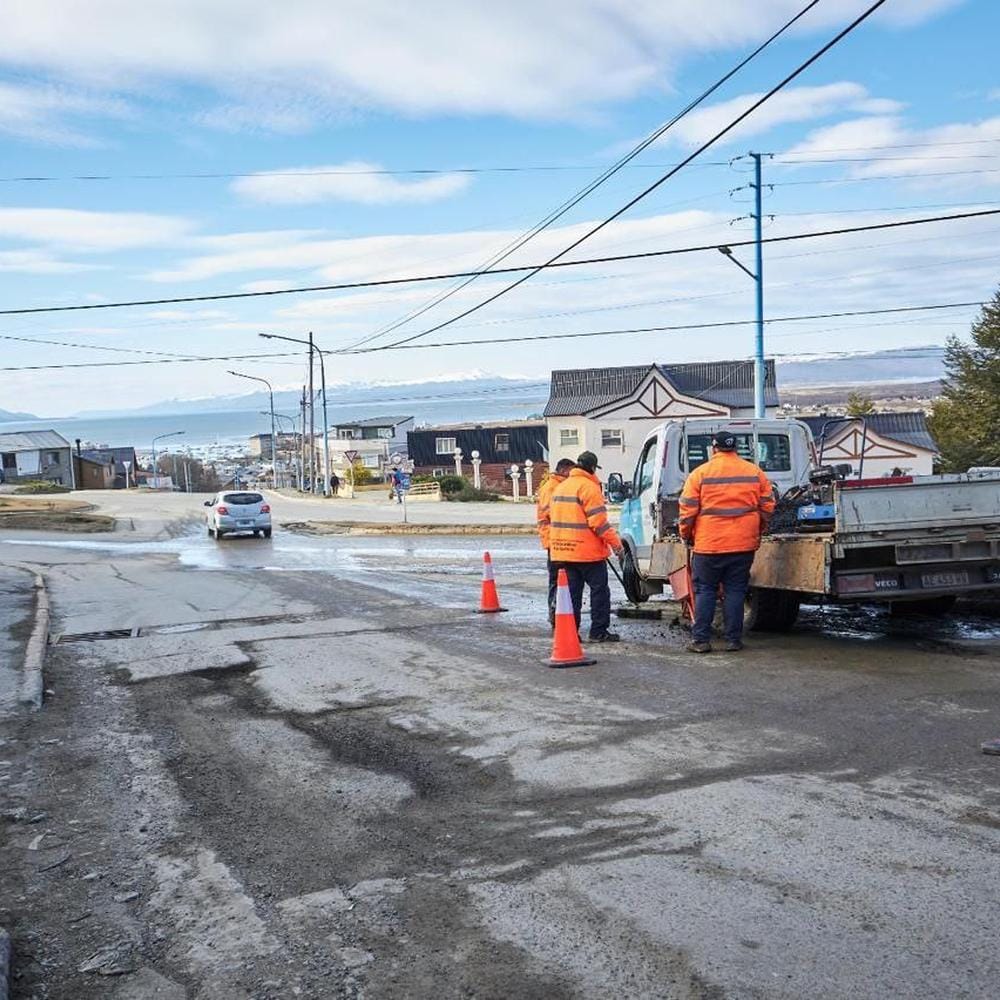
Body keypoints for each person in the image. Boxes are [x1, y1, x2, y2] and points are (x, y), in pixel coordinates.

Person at [678, 429, 776, 653]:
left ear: (714, 448)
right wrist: (757, 528)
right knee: (735, 591)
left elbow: (687, 511)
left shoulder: (700, 474)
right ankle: (734, 640)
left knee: (705, 591)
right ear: (735, 448)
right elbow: (768, 506)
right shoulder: (754, 472)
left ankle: (701, 641)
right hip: (743, 544)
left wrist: (686, 534)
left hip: (709, 545)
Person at [549, 450, 625, 643]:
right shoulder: (589, 488)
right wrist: (617, 545)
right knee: (599, 592)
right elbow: (599, 524)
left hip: (564, 552)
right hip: (587, 553)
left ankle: (570, 633)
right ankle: (598, 631)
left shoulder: (561, 487)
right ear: (592, 468)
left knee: (571, 595)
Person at [536, 458, 576, 626]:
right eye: (571, 472)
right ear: (564, 470)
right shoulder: (553, 488)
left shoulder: (555, 486)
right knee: (557, 580)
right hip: (555, 541)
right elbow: (554, 514)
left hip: (557, 540)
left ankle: (557, 614)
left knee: (559, 579)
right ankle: (555, 615)